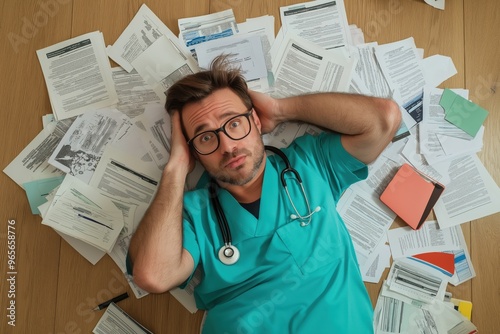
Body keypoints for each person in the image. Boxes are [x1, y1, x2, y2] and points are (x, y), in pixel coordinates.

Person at [128, 56, 401, 333]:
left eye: (234, 123)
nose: (228, 146)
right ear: (193, 151)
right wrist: (175, 169)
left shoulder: (310, 163)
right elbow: (154, 276)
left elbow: (383, 119)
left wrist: (281, 110)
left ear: (255, 120)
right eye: (206, 137)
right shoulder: (191, 213)